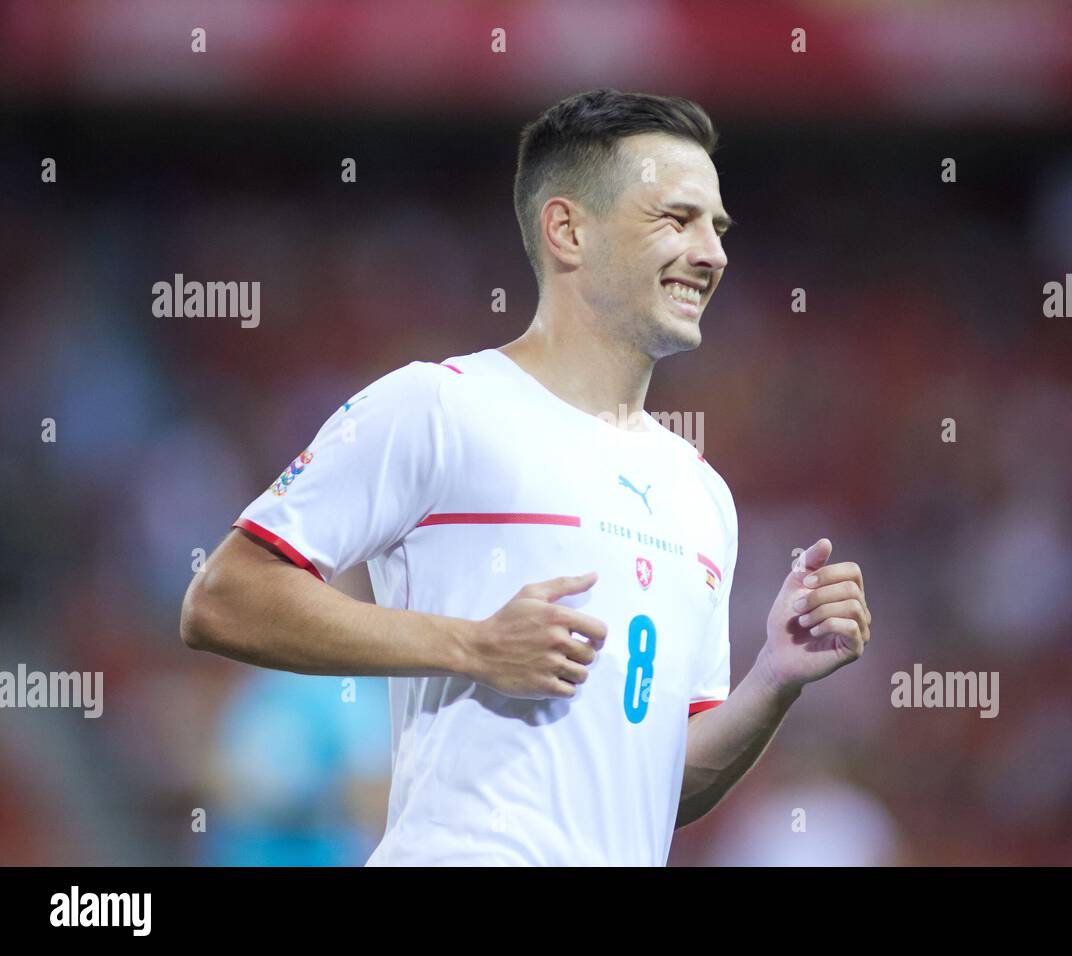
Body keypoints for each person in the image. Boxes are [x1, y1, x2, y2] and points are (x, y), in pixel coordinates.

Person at [180, 88, 872, 866]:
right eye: (676, 220)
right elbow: (222, 597)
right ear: (568, 229)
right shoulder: (439, 406)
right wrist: (472, 647)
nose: (712, 252)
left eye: (717, 227)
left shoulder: (702, 497)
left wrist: (772, 682)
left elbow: (658, 788)